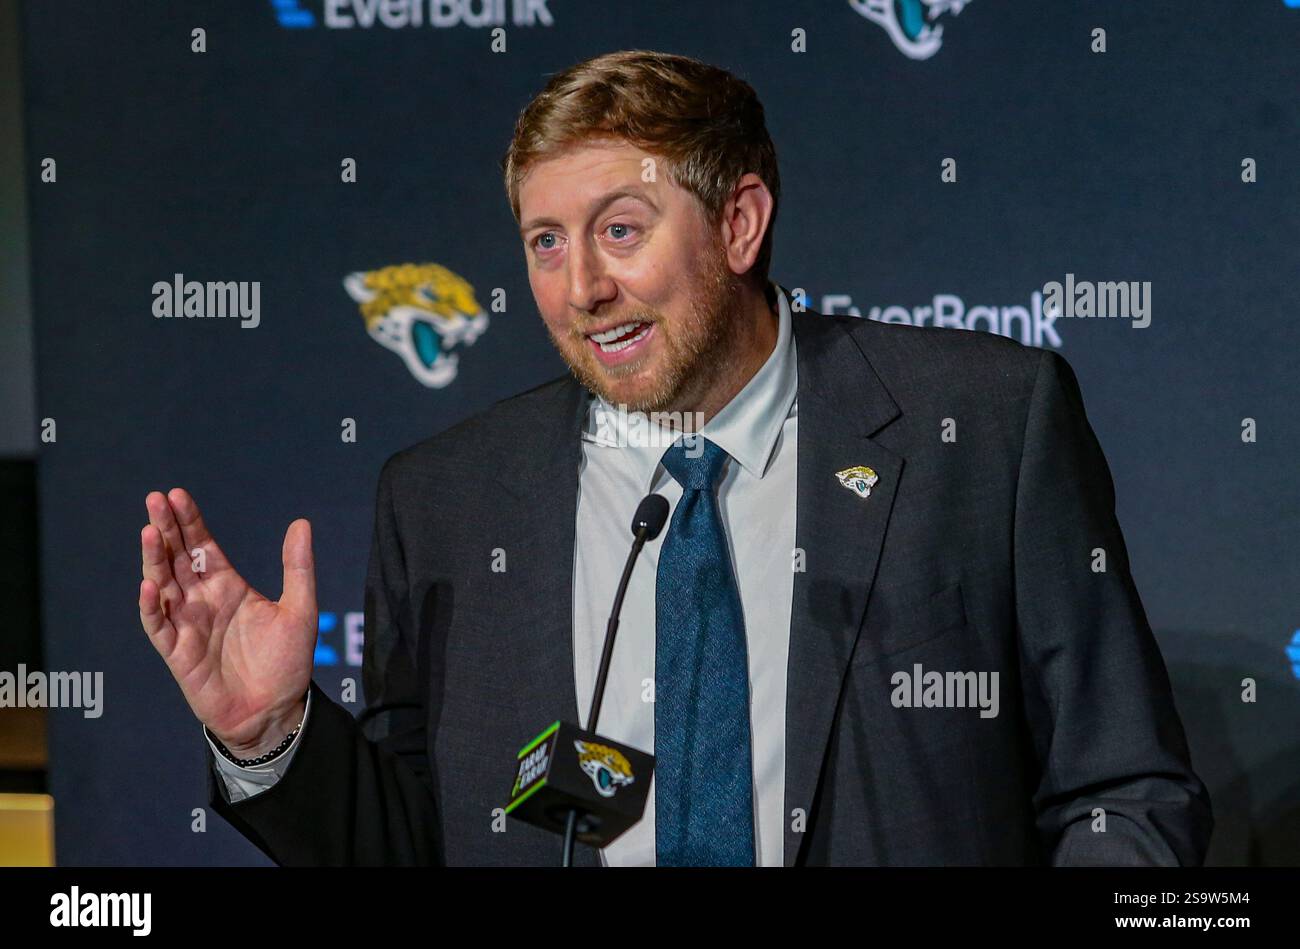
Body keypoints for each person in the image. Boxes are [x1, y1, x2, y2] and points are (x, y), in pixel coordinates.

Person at [138, 49, 1212, 866]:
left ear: (739, 223)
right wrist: (271, 732)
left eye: (620, 229)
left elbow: (1121, 791)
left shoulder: (980, 425)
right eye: (546, 242)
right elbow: (421, 845)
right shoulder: (448, 500)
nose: (581, 288)